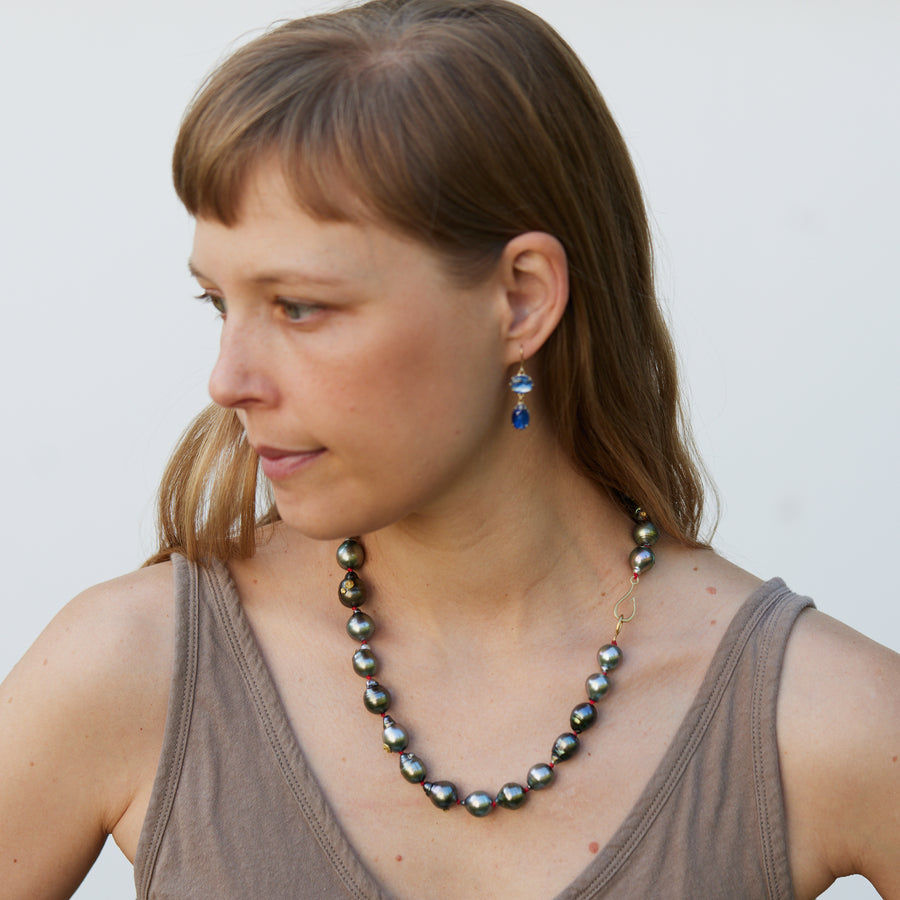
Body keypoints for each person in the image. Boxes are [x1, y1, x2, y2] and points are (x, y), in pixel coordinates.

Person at [2, 0, 898, 897]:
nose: (227, 380)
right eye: (218, 303)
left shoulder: (827, 720)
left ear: (521, 299)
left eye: (299, 307)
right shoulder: (132, 670)